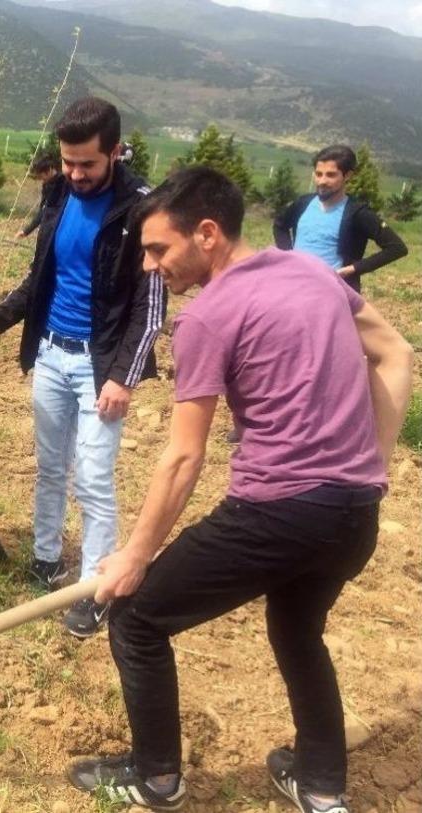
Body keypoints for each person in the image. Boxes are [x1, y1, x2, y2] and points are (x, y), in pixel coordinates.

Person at [69, 166, 413, 812]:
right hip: (352, 515)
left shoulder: (207, 317)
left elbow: (182, 457)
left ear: (206, 234)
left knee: (138, 619)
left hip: (277, 511)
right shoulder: (312, 272)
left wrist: (134, 556)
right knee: (297, 628)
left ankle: (156, 777)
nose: (149, 266)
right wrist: (373, 467)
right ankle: (320, 785)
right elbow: (396, 353)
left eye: (158, 249)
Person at [0, 97, 163, 637]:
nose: (75, 173)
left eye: (87, 164)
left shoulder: (142, 208)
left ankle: (94, 589)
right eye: (68, 162)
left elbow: (150, 306)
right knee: (49, 467)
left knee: (93, 478)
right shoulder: (57, 194)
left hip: (100, 368)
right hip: (50, 352)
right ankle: (45, 559)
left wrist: (123, 376)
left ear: (114, 152)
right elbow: (40, 278)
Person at [273, 144, 407, 292]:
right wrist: (288, 255)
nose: (322, 181)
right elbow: (280, 225)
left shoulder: (357, 213)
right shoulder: (303, 203)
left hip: (333, 294)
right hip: (295, 286)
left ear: (347, 176)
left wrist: (352, 269)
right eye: (318, 174)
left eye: (331, 175)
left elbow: (397, 248)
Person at [15, 153, 62, 239]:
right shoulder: (47, 185)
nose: (40, 179)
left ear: (49, 170)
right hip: (49, 231)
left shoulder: (64, 184)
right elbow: (43, 210)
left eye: (41, 176)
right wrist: (27, 231)